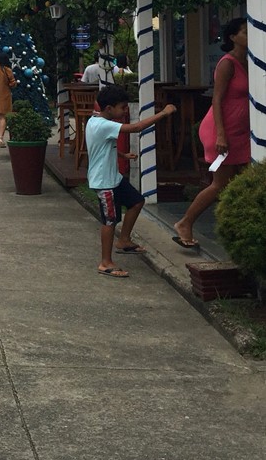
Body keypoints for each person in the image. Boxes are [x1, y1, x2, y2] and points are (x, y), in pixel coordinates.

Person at [173, 18, 249, 250]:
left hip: (243, 132)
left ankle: (239, 229)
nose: (250, 36)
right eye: (245, 32)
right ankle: (185, 223)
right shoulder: (227, 64)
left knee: (244, 180)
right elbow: (216, 99)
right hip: (222, 130)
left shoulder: (250, 61)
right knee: (220, 183)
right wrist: (221, 135)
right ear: (232, 37)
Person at [86, 83, 176, 278]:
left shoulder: (95, 120)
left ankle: (124, 240)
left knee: (137, 201)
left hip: (114, 178)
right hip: (104, 183)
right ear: (109, 109)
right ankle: (105, 262)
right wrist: (164, 113)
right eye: (122, 107)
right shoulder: (105, 124)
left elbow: (101, 146)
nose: (125, 110)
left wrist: (122, 155)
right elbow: (136, 127)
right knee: (109, 220)